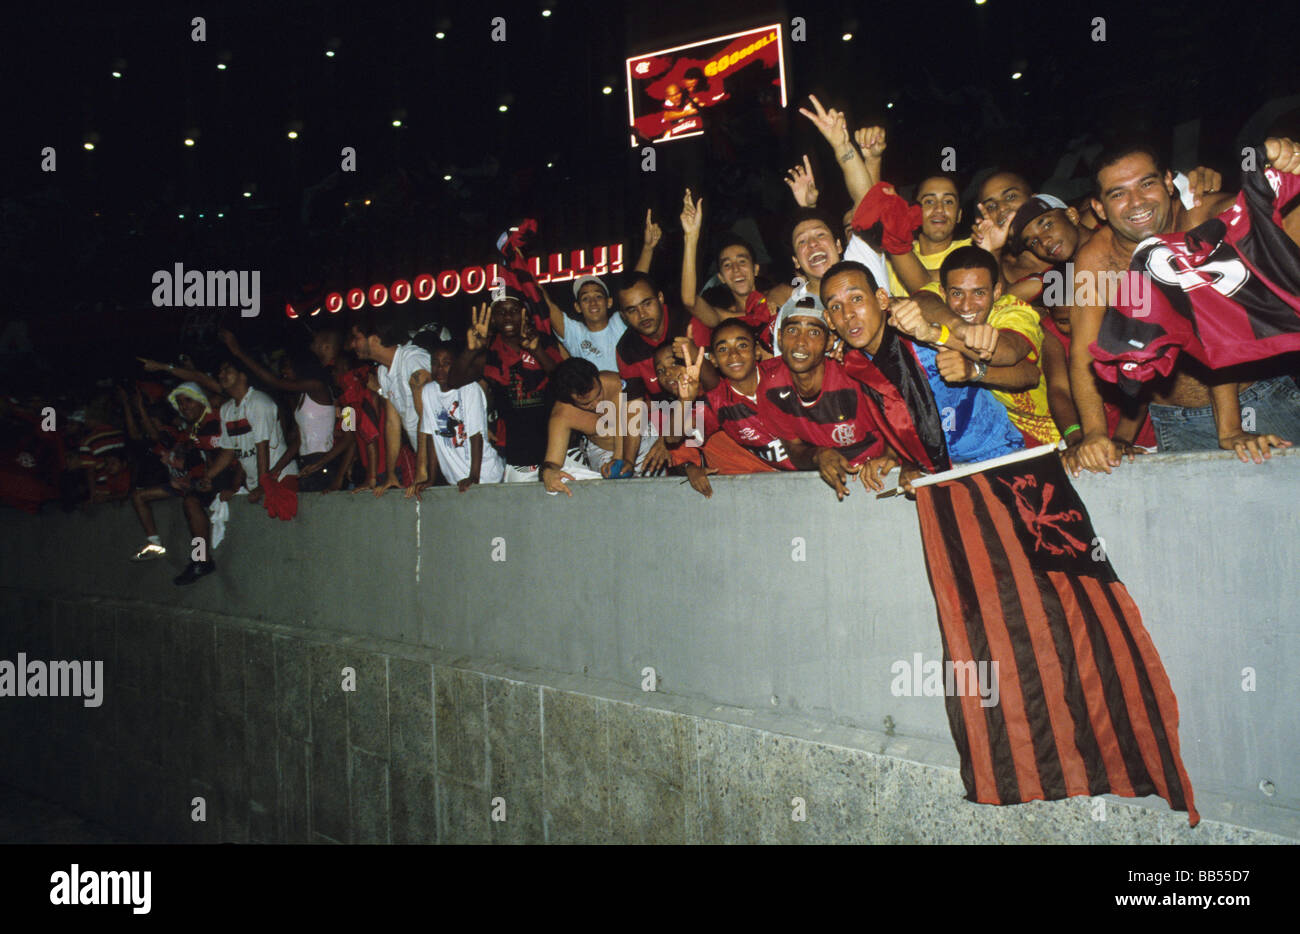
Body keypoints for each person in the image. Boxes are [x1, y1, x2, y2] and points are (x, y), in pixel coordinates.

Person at [1068, 142, 1296, 471]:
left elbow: (1213, 332)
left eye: (1146, 184)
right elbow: (1083, 352)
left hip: (1259, 402)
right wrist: (1093, 435)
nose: (1137, 202)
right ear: (1099, 208)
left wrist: (1283, 169)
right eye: (1118, 194)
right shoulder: (1095, 260)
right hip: (1174, 420)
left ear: (1168, 182)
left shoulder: (1200, 218)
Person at [819, 260, 1024, 464]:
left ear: (882, 299)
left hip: (1001, 457)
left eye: (856, 299)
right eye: (836, 307)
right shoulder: (852, 365)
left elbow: (1027, 374)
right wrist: (905, 460)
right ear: (829, 320)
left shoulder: (922, 334)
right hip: (940, 473)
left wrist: (974, 371)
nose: (848, 314)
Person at [755, 294, 902, 500]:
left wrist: (890, 455)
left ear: (829, 341)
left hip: (881, 477)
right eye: (792, 330)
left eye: (814, 332)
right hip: (824, 487)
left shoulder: (854, 374)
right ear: (779, 337)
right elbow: (794, 449)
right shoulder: (770, 388)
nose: (800, 342)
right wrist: (818, 455)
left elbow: (903, 418)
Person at [913, 247, 1061, 447]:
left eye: (979, 293)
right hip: (994, 435)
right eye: (957, 293)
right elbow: (920, 301)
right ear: (942, 292)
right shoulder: (940, 298)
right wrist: (960, 327)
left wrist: (941, 336)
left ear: (997, 291)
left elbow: (1007, 353)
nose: (966, 306)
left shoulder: (1015, 311)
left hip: (1051, 434)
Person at [447, 295, 563, 482]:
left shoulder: (542, 340)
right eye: (500, 312)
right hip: (518, 450)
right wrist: (470, 350)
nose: (508, 316)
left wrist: (537, 351)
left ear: (525, 315)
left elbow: (563, 380)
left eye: (514, 311)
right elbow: (453, 381)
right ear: (493, 319)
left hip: (555, 443)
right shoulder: (490, 350)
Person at [219, 329, 338, 492]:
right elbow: (299, 441)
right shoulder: (301, 397)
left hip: (324, 462)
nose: (284, 372)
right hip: (307, 463)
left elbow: (349, 435)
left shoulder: (319, 387)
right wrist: (275, 471)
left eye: (288, 367)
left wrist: (239, 353)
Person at [679, 189, 777, 349]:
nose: (736, 269)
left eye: (742, 261)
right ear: (721, 277)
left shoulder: (777, 298)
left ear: (756, 269)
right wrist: (690, 237)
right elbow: (689, 300)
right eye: (727, 265)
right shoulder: (723, 317)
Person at [539, 358, 652, 495]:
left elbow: (627, 430)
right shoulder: (563, 414)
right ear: (570, 401)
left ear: (597, 378)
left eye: (599, 395)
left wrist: (619, 458)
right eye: (587, 404)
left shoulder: (616, 383)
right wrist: (548, 473)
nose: (598, 405)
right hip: (602, 453)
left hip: (642, 438)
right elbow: (552, 461)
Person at [349, 311, 432, 495]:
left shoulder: (413, 360)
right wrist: (391, 474)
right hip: (427, 459)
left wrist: (422, 471)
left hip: (442, 458)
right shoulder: (383, 373)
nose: (352, 344)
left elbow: (426, 418)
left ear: (375, 338)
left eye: (356, 337)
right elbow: (392, 424)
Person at [415, 343, 505, 493]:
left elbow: (476, 436)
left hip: (485, 476)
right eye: (435, 363)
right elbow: (432, 436)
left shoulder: (469, 389)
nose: (440, 369)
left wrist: (474, 477)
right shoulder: (428, 392)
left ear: (456, 365)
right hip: (456, 479)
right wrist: (431, 478)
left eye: (446, 364)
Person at [885, 174, 972, 297]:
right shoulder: (889, 260)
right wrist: (873, 161)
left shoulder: (974, 249)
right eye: (929, 201)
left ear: (959, 215)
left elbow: (924, 287)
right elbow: (869, 210)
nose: (939, 209)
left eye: (948, 202)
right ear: (913, 211)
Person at [541, 274, 627, 371]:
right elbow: (548, 304)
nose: (593, 302)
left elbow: (636, 292)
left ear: (609, 302)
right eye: (585, 298)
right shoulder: (575, 334)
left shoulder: (619, 322)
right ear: (578, 307)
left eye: (598, 296)